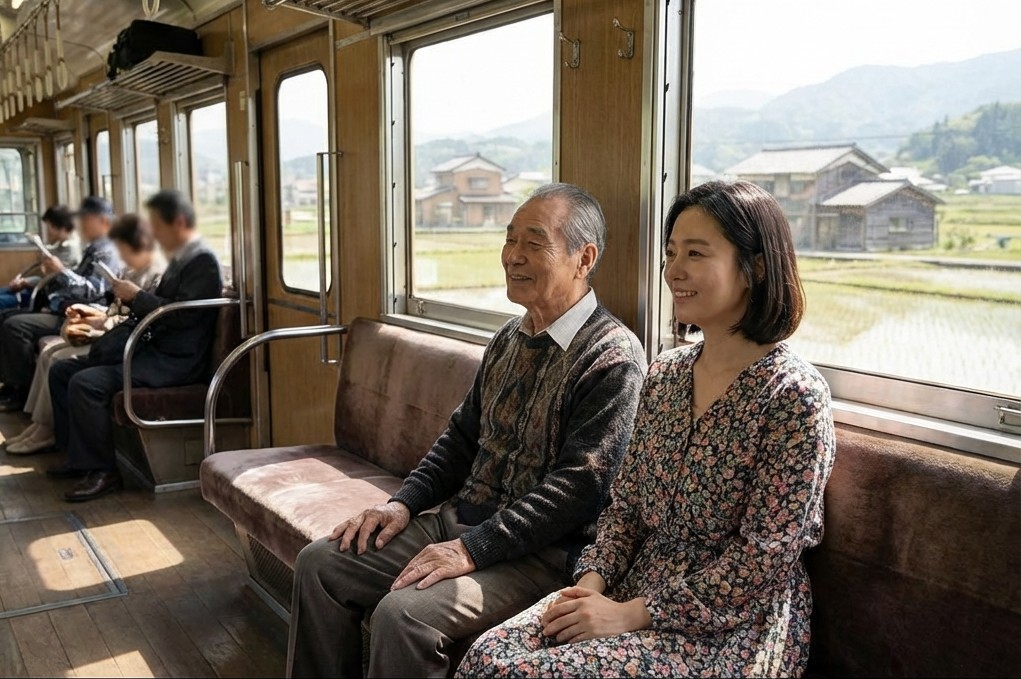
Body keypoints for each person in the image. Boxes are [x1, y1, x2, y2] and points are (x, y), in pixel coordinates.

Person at [457, 180, 837, 678]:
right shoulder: (666, 375)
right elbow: (627, 507)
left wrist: (630, 615)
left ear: (756, 267)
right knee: (489, 656)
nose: (673, 271)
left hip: (730, 627)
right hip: (632, 584)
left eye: (696, 254)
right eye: (671, 253)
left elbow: (761, 562)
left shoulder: (794, 397)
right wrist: (589, 586)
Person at [287, 183, 647, 678]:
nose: (512, 256)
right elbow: (461, 437)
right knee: (321, 564)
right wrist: (401, 503)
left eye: (533, 242)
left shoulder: (612, 357)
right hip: (460, 521)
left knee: (404, 615)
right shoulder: (509, 337)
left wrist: (471, 550)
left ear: (583, 258)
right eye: (509, 239)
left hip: (542, 553)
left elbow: (579, 490)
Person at [46, 190, 222, 502]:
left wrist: (137, 296)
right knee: (62, 371)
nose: (152, 233)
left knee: (86, 384)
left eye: (157, 225)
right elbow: (165, 307)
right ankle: (77, 457)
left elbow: (184, 316)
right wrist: (130, 299)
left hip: (174, 362)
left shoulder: (202, 260)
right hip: (153, 350)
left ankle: (103, 471)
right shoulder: (181, 257)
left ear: (178, 222)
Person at [5, 215, 166, 455]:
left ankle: (46, 430)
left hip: (123, 339)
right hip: (111, 329)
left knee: (57, 358)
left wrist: (103, 319)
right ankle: (41, 424)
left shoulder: (154, 275)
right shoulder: (131, 269)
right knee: (51, 353)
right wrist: (95, 315)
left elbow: (138, 319)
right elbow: (116, 310)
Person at [0, 196, 121, 412]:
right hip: (66, 305)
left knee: (15, 325)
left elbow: (93, 290)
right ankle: (12, 384)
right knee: (8, 317)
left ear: (101, 221)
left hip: (84, 313)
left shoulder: (108, 250)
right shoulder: (94, 247)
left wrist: (60, 272)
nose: (81, 225)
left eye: (86, 219)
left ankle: (20, 390)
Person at [0, 205, 81, 310]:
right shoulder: (61, 245)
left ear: (58, 226)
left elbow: (53, 281)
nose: (47, 232)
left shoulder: (71, 251)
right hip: (36, 289)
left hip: (43, 295)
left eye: (49, 227)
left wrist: (26, 282)